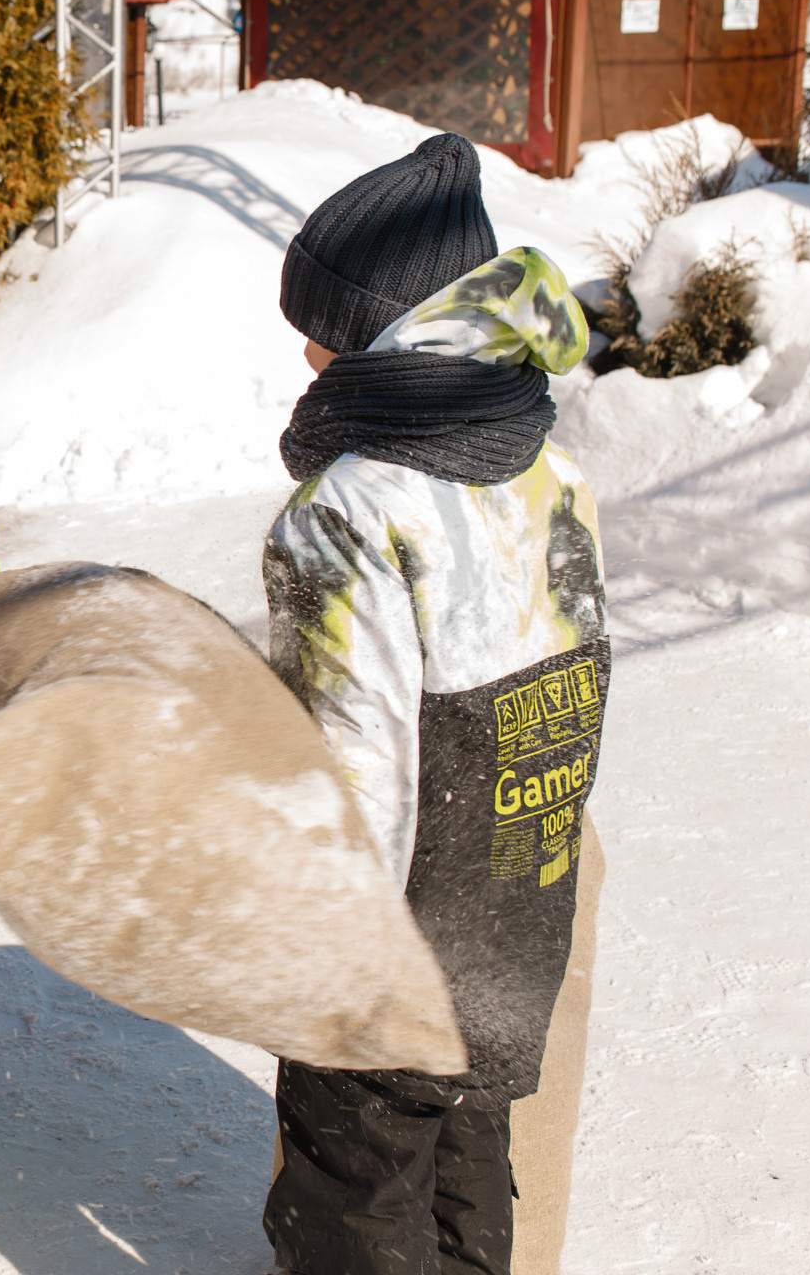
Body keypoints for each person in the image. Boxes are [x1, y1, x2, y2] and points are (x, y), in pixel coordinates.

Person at [258, 133, 609, 1275]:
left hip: (393, 927)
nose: (304, 353)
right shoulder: (547, 464)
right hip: (516, 898)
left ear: (378, 334)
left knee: (353, 1184)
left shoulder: (347, 511)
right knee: (468, 1146)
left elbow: (350, 756)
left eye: (319, 330)